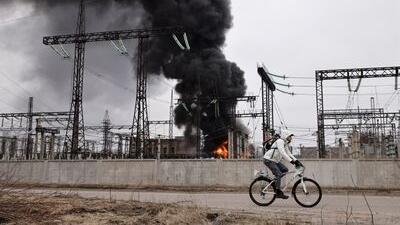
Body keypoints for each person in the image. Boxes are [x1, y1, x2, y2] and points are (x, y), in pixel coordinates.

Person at [263, 130, 303, 199]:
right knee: (278, 174)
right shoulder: (280, 141)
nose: (291, 138)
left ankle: (275, 182)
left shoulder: (285, 143)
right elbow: (283, 153)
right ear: (286, 135)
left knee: (285, 170)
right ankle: (278, 192)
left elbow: (289, 153)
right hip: (268, 159)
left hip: (275, 161)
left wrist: (297, 161)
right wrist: (292, 162)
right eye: (290, 136)